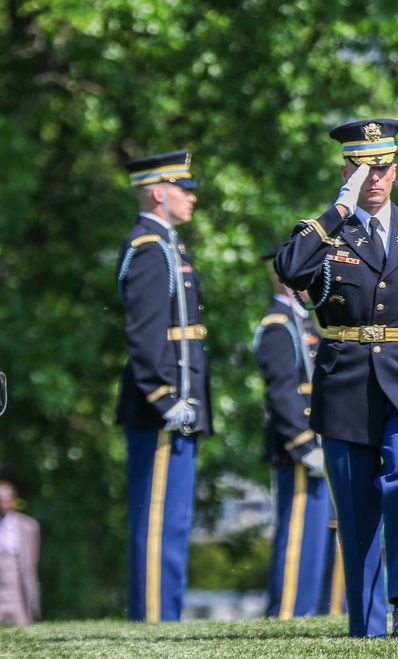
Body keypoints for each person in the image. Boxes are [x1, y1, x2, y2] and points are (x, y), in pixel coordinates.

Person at [273, 118, 398, 639]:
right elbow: (290, 270)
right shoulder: (321, 231)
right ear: (347, 171)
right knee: (358, 510)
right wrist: (339, 208)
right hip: (344, 383)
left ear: (396, 170)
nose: (374, 177)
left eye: (382, 167)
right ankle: (366, 625)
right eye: (363, 168)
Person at [115, 149, 213, 622]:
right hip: (160, 407)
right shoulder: (149, 248)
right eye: (184, 189)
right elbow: (144, 333)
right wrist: (164, 397)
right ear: (159, 193)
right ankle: (152, 617)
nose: (192, 198)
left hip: (180, 403)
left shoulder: (167, 244)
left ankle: (165, 616)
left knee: (173, 522)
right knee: (156, 521)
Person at [253, 251, 342, 618]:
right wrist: (304, 445)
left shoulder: (303, 321)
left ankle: (316, 610)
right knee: (299, 539)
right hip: (300, 451)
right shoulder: (278, 324)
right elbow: (281, 391)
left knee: (321, 537)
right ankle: (287, 612)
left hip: (318, 445)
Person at [0, 481, 39, 625]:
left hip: (18, 597)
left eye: (7, 500)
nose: (3, 505)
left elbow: (31, 564)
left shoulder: (28, 526)